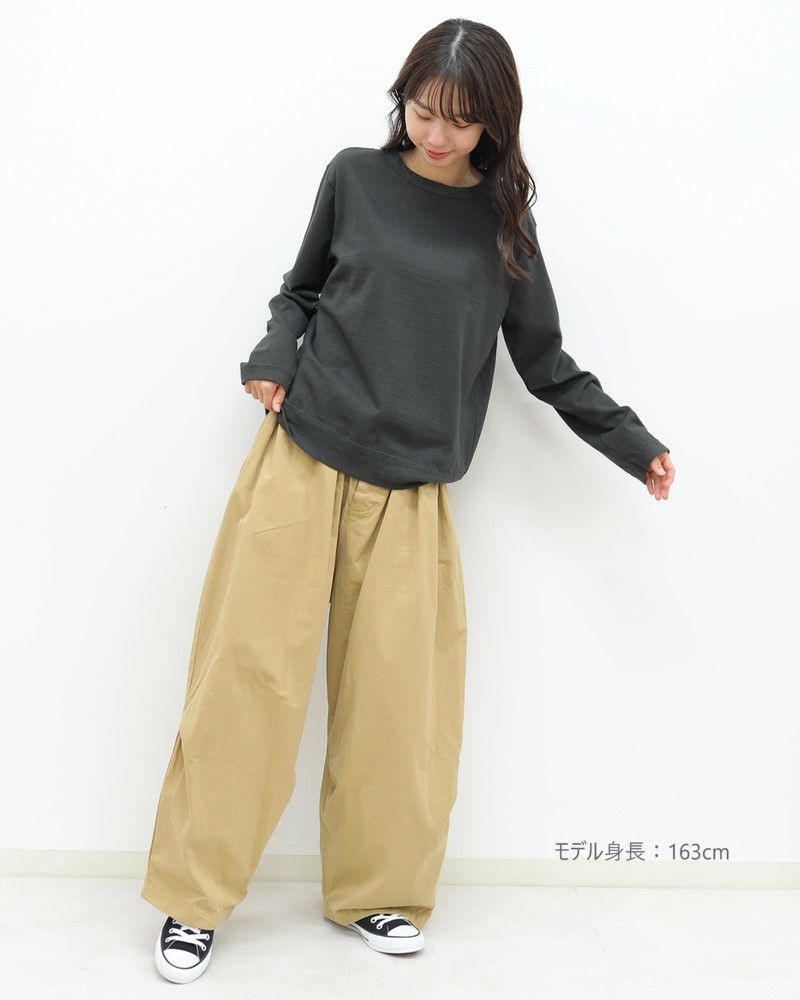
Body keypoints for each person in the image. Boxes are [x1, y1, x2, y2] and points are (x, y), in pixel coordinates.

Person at [141, 17, 675, 984]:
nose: (435, 134)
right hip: (302, 457)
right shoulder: (355, 177)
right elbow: (300, 292)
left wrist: (632, 445)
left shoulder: (502, 228)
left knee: (399, 708)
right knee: (244, 685)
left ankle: (378, 892)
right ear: (404, 101)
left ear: (494, 124)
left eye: (459, 122)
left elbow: (546, 362)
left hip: (413, 488)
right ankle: (194, 900)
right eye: (424, 111)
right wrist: (273, 356)